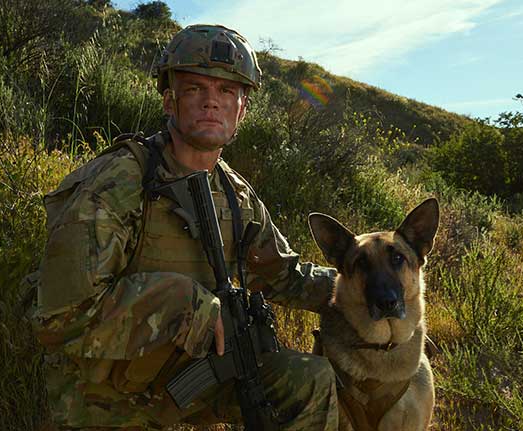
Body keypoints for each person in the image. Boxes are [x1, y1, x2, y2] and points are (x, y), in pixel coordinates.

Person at [31, 24, 339, 430]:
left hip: (198, 378)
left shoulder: (235, 194)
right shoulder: (122, 182)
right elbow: (58, 317)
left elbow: (285, 276)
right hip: (108, 397)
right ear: (170, 101)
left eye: (227, 92)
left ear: (242, 109)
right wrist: (185, 304)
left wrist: (361, 281)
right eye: (195, 89)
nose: (212, 102)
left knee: (311, 379)